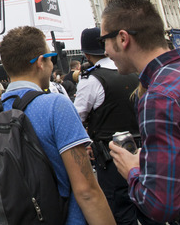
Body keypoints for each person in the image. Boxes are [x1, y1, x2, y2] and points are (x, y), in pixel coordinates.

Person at [0, 26, 114, 224]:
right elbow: (87, 191)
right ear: (41, 62)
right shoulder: (56, 106)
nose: (51, 64)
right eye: (50, 58)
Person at [102, 0, 180, 223]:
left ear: (122, 38)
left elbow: (160, 205)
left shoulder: (159, 96)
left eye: (104, 42)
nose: (105, 52)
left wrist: (132, 169)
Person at [72, 26, 156, 225]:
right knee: (149, 206)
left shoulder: (91, 79)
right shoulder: (136, 73)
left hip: (111, 156)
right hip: (143, 151)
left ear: (86, 54)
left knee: (121, 210)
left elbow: (77, 117)